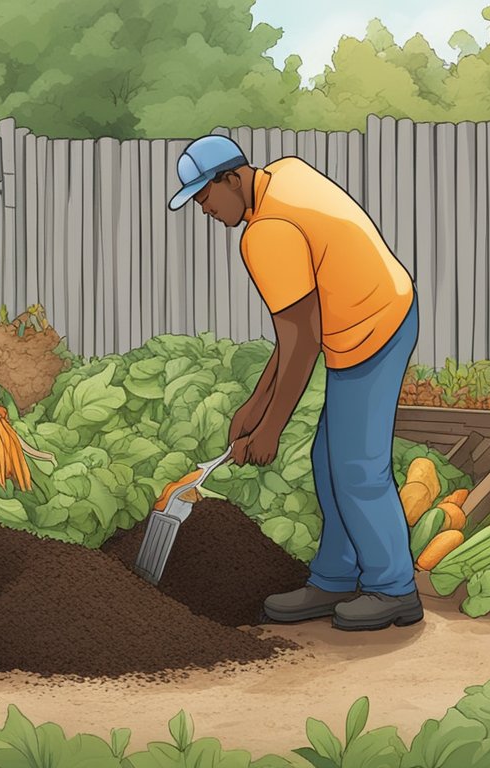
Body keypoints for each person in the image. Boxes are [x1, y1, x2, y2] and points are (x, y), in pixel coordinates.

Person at [167, 135, 423, 631]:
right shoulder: (284, 173)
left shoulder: (265, 235)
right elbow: (294, 335)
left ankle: (394, 589)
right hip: (376, 305)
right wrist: (254, 406)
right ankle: (334, 579)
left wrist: (270, 429)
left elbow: (302, 341)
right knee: (328, 460)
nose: (204, 209)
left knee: (357, 467)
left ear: (232, 179)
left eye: (205, 195)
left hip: (373, 326)